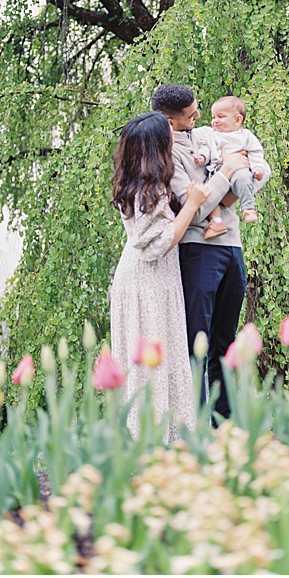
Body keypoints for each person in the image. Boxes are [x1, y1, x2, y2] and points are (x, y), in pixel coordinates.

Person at [151, 83, 269, 423]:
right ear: (172, 122)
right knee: (196, 343)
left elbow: (259, 170)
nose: (201, 117)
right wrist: (229, 173)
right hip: (198, 250)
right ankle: (195, 424)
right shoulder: (166, 153)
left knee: (225, 342)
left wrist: (230, 184)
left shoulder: (207, 134)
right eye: (191, 114)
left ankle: (224, 421)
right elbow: (193, 209)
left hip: (232, 246)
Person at [108, 111, 211, 442]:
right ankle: (151, 443)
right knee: (150, 368)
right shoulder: (147, 192)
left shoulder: (149, 185)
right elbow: (157, 246)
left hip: (157, 280)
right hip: (146, 282)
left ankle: (170, 441)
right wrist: (193, 205)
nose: (174, 132)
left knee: (163, 362)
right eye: (168, 129)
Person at [191, 96, 269, 238]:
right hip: (216, 172)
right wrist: (201, 158)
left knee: (244, 178)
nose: (215, 121)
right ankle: (216, 222)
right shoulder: (211, 135)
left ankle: (248, 208)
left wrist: (258, 168)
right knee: (208, 192)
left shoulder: (245, 136)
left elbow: (256, 152)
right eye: (214, 117)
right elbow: (206, 149)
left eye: (221, 117)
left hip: (240, 169)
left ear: (238, 120)